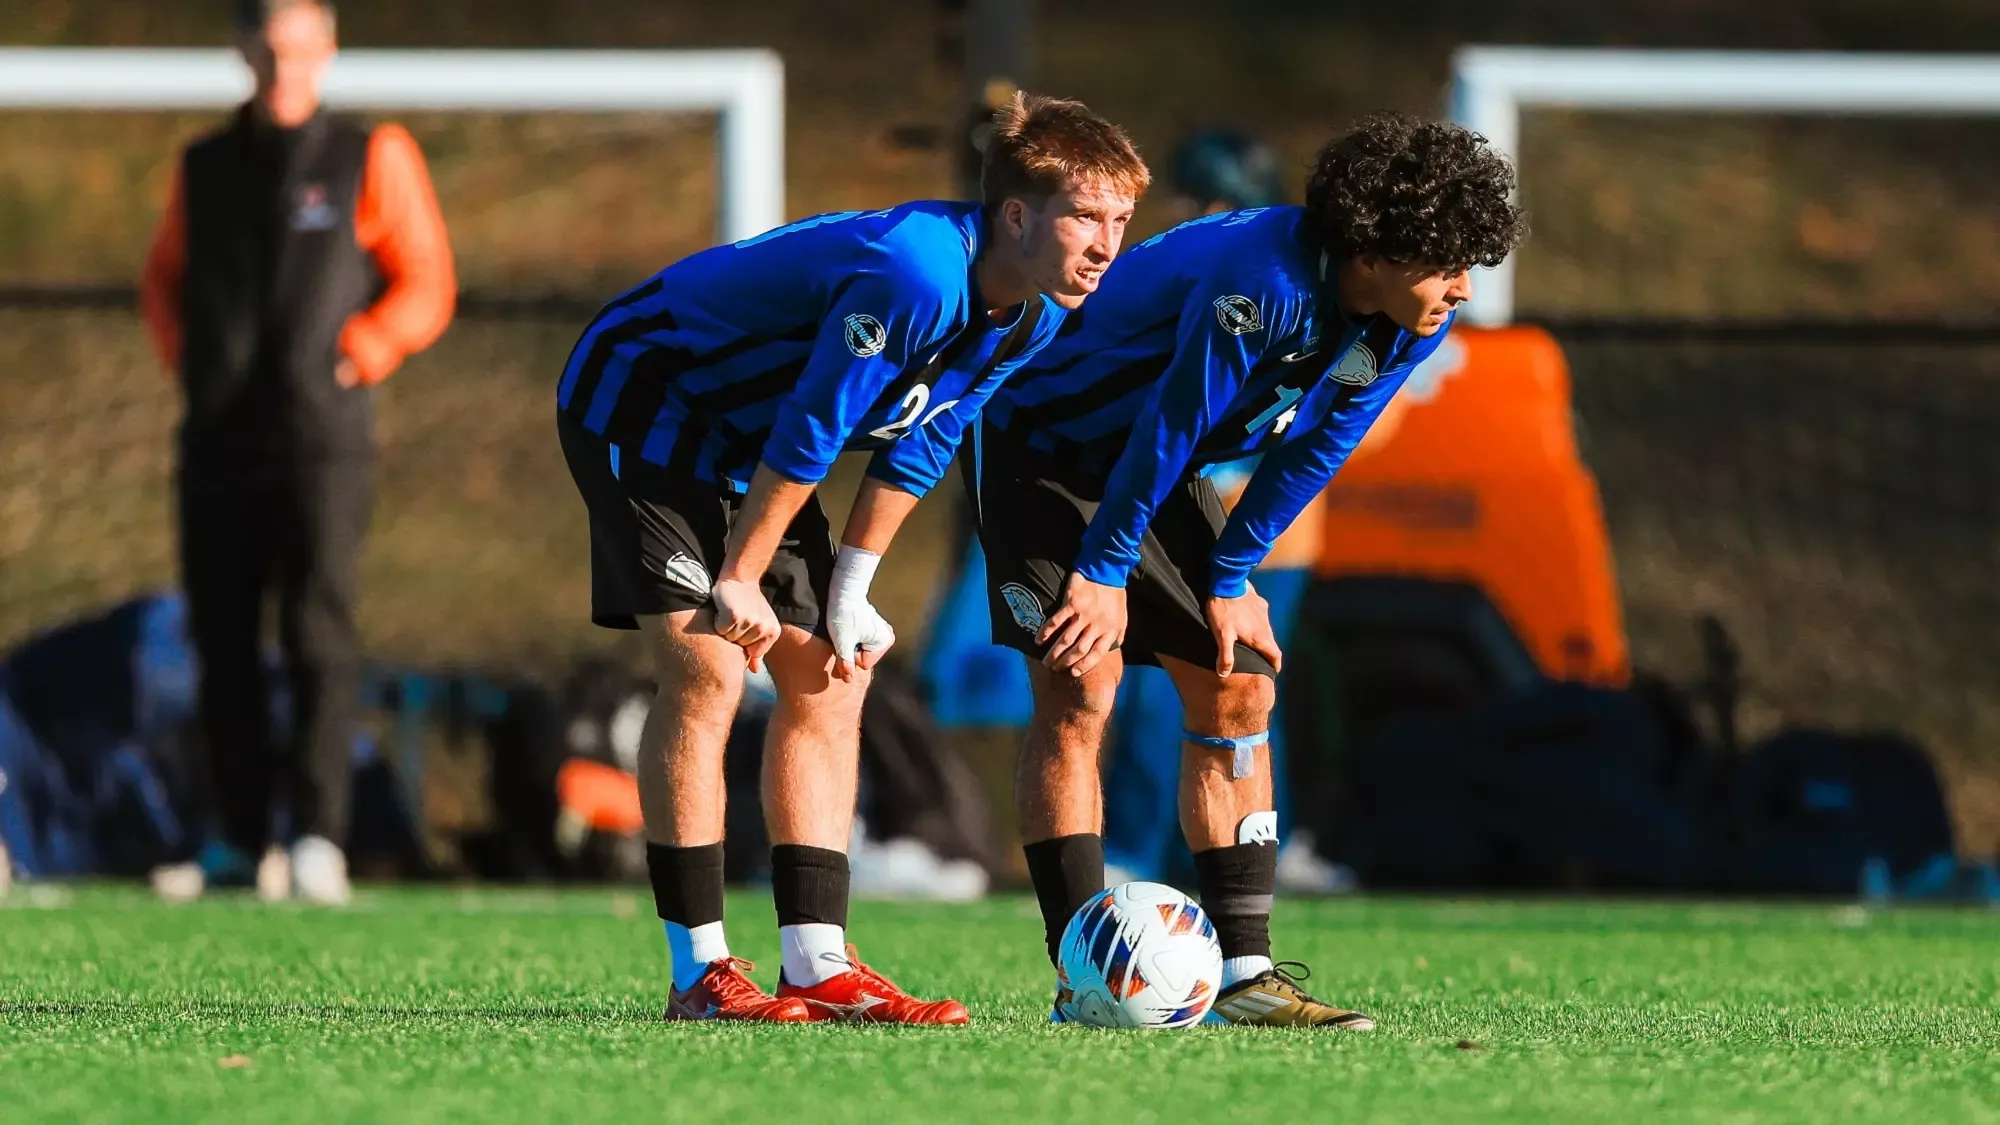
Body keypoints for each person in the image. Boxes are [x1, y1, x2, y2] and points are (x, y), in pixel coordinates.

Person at [557, 92, 1147, 1024]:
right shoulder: (917, 273)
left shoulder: (1036, 313)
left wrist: (851, 589)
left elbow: (926, 438)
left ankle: (818, 963)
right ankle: (699, 974)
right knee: (708, 669)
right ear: (1019, 214)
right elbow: (813, 429)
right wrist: (741, 577)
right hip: (646, 400)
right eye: (1086, 216)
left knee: (832, 680)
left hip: (747, 444)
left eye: (1121, 220)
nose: (1107, 244)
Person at [970, 112, 1526, 1027]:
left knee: (1242, 686)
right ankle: (1084, 970)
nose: (1463, 285)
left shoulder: (1407, 315)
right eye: (1446, 260)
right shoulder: (1259, 284)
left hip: (1153, 469)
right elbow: (1172, 428)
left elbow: (1317, 447)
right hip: (1042, 447)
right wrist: (1103, 572)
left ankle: (1247, 974)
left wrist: (1230, 579)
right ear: (1374, 248)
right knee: (1082, 681)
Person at [139, 0, 455, 905]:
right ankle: (238, 839)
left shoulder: (370, 152)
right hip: (217, 438)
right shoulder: (203, 164)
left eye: (301, 50)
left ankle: (320, 835)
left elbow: (426, 279)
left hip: (326, 439)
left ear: (327, 52)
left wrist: (365, 348)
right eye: (269, 50)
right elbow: (161, 281)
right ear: (244, 52)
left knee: (318, 631)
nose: (285, 67)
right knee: (223, 641)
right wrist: (189, 364)